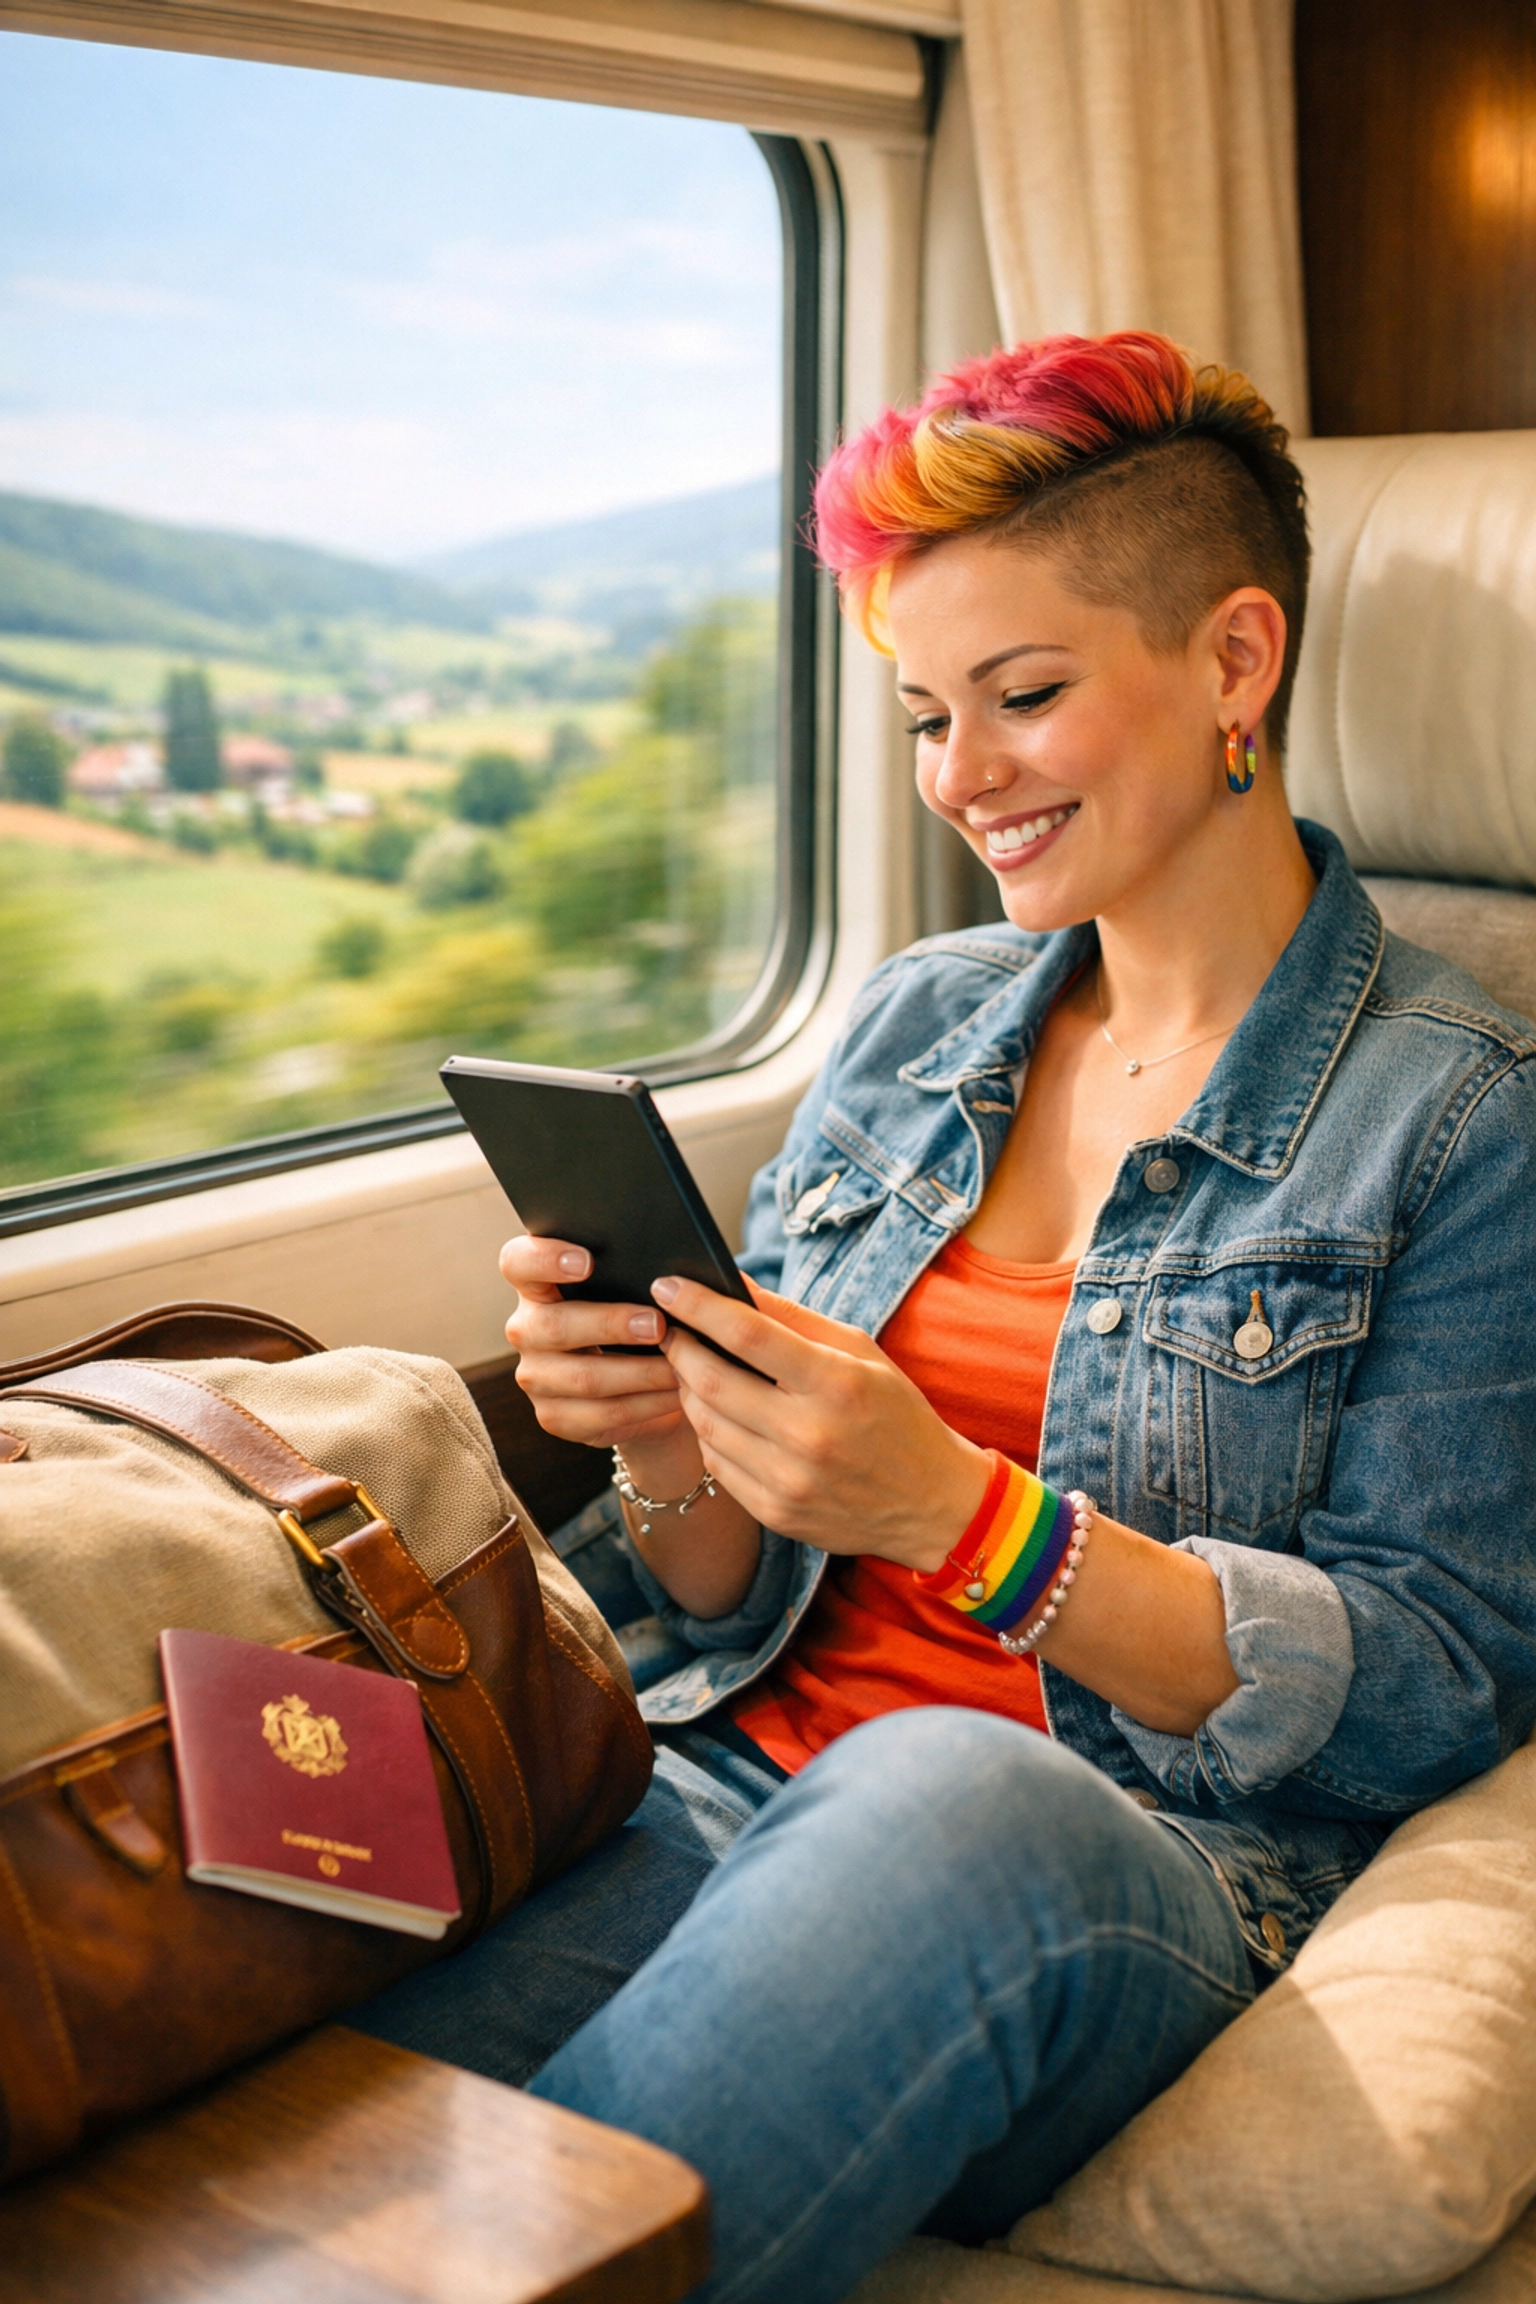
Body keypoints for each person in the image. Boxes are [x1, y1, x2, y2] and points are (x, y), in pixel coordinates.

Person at [356, 332, 1536, 2303]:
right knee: (310, 2025)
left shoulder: (1468, 1119)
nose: (957, 778)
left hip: (1135, 1870)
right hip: (727, 1776)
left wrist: (972, 1523)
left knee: (942, 1786)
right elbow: (723, 1599)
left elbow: (1429, 1689)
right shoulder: (909, 1027)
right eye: (925, 714)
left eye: (1025, 696)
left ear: (1236, 665)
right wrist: (661, 1440)